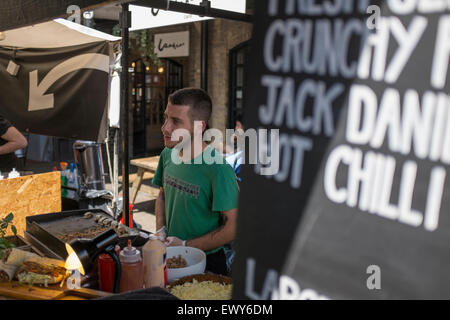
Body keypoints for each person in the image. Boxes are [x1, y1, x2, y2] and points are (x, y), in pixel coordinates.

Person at [152, 88, 239, 276]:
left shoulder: (219, 169)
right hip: (170, 255)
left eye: (176, 121)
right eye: (166, 117)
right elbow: (162, 195)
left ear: (199, 127)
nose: (165, 128)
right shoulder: (168, 154)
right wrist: (160, 230)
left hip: (208, 264)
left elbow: (233, 227)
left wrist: (185, 246)